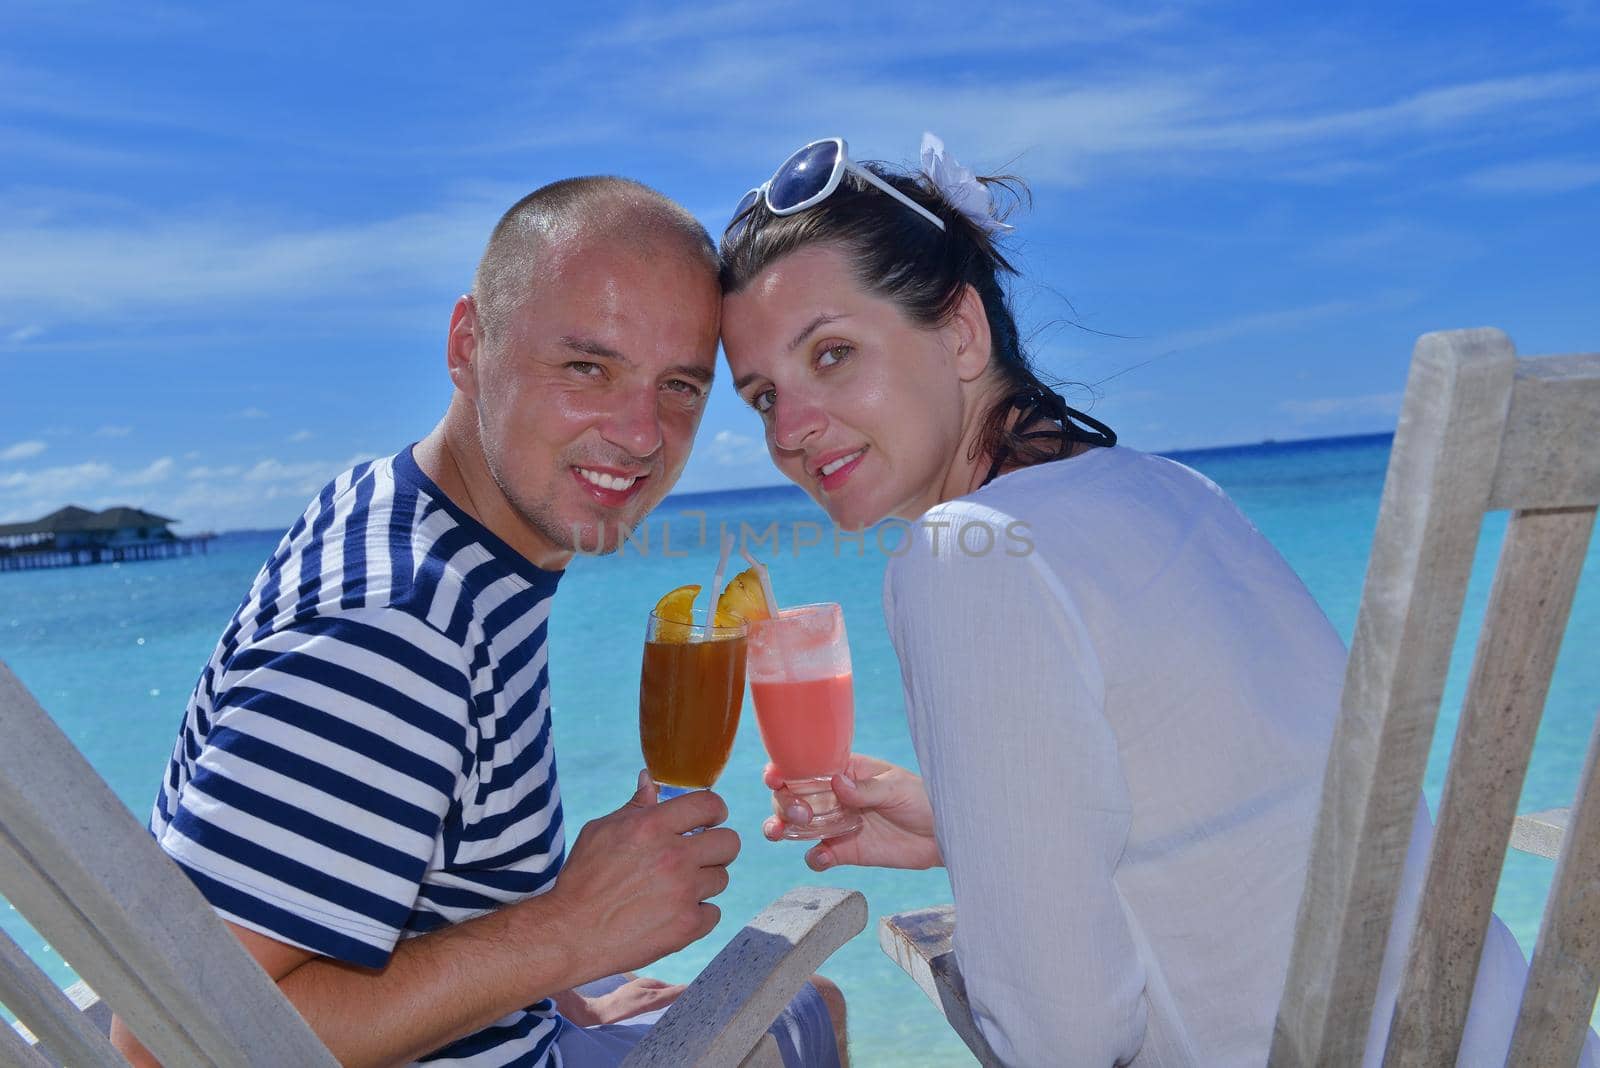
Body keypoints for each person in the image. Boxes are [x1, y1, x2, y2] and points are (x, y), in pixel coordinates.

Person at [717, 135, 1588, 1066]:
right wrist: (976, 833)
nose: (795, 430)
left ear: (962, 333)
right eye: (764, 397)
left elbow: (1065, 1039)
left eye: (835, 353)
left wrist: (1003, 930)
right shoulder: (1172, 491)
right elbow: (1251, 811)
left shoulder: (963, 556)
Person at [112, 177, 846, 1068]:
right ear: (470, 344)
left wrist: (556, 990)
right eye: (588, 367)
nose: (643, 433)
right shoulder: (395, 630)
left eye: (681, 386)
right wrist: (566, 933)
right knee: (811, 1008)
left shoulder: (409, 514)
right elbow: (170, 1043)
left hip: (511, 1027)